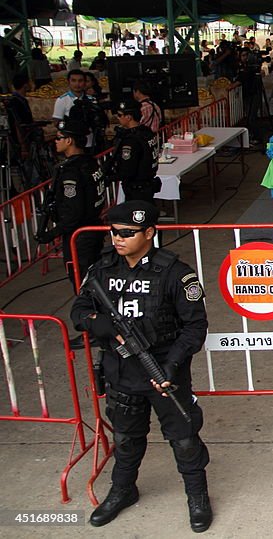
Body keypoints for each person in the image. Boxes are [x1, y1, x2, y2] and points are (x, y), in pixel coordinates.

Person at [70, 200, 212, 532]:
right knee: (126, 438)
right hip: (120, 373)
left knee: (184, 438)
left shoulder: (175, 273)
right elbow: (78, 310)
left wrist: (172, 365)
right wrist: (96, 322)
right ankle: (123, 490)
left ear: (149, 232)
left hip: (164, 371)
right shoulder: (102, 269)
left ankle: (197, 496)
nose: (118, 239)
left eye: (127, 233)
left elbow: (195, 327)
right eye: (114, 232)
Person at [35, 119, 105, 304]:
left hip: (79, 236)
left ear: (70, 141)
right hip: (93, 229)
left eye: (59, 138)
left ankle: (93, 324)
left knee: (83, 283)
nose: (55, 142)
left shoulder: (71, 172)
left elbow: (74, 213)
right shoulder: (90, 162)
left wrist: (51, 234)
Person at [106, 100, 159, 202]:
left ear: (129, 117)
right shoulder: (146, 132)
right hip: (147, 183)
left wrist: (110, 178)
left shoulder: (131, 141)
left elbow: (128, 170)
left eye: (120, 115)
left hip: (136, 188)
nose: (117, 117)